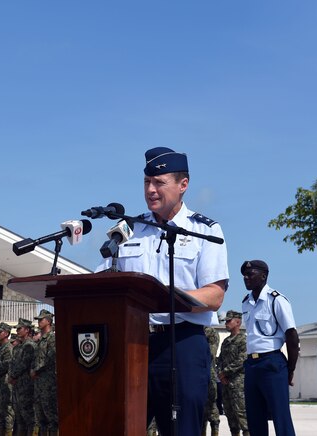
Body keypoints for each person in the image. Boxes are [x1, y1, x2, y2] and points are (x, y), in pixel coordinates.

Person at [96, 147, 228, 435]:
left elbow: (214, 295)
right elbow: (103, 279)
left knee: (182, 430)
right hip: (131, 344)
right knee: (120, 426)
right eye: (146, 182)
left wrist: (164, 297)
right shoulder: (129, 229)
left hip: (182, 344)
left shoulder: (205, 231)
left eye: (159, 182)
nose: (151, 190)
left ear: (183, 185)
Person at [241, 260, 298, 436]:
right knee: (254, 419)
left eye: (250, 274)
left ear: (263, 276)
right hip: (251, 364)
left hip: (272, 362)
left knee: (280, 418)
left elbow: (292, 335)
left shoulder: (277, 300)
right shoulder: (246, 302)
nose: (246, 277)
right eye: (244, 274)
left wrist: (290, 368)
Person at [217, 310, 249, 436]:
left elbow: (242, 360)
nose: (226, 323)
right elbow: (220, 359)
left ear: (238, 322)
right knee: (230, 415)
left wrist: (224, 372)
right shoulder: (226, 342)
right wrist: (220, 373)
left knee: (241, 414)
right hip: (225, 383)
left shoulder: (243, 340)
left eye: (229, 321)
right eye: (226, 321)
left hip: (238, 383)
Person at [31, 309, 58, 436]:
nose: (39, 322)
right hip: (39, 383)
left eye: (41, 320)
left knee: (51, 416)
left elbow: (50, 358)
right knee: (40, 417)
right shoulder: (40, 340)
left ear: (48, 321)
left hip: (48, 383)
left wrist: (36, 370)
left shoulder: (52, 338)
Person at [9, 318, 37, 436]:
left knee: (29, 418)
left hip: (26, 386)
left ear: (27, 330)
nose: (18, 331)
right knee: (19, 417)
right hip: (17, 386)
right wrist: (11, 376)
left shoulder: (29, 345)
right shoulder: (18, 347)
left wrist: (13, 375)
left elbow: (24, 364)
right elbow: (12, 364)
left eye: (20, 328)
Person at [202, 326, 220, 436]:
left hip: (209, 373)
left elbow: (211, 354)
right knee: (201, 408)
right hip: (197, 374)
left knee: (211, 405)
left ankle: (215, 431)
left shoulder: (211, 332)